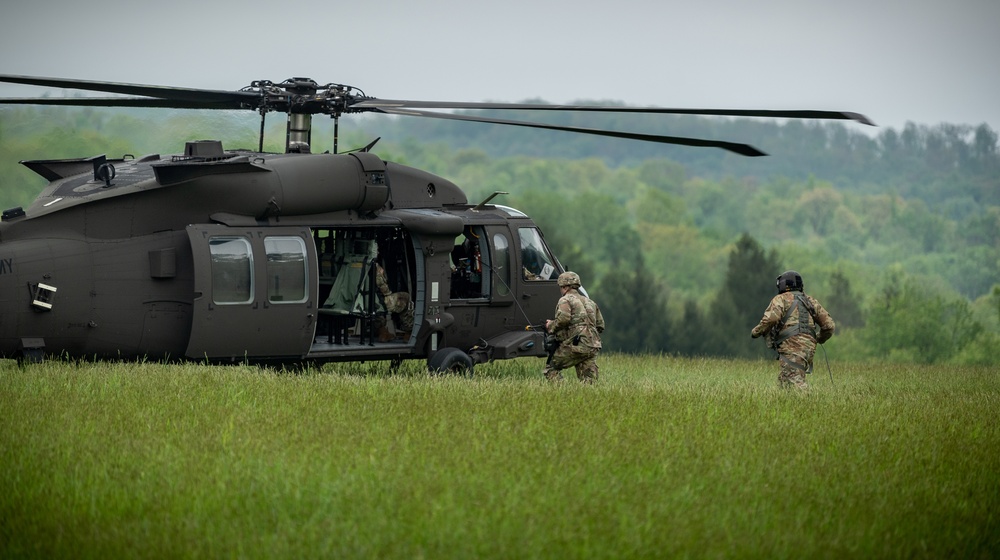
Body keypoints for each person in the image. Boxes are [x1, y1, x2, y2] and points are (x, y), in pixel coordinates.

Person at [751, 270, 836, 390]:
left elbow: (771, 319)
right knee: (785, 382)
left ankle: (809, 405)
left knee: (794, 382)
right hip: (809, 348)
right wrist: (818, 339)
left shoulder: (780, 299)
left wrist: (756, 331)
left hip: (792, 346)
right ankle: (785, 405)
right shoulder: (810, 301)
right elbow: (829, 326)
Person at [543, 271, 604, 383]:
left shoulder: (565, 300)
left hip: (577, 345)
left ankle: (563, 393)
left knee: (551, 368)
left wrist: (550, 325)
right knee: (589, 380)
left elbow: (563, 320)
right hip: (593, 345)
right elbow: (600, 325)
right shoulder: (590, 301)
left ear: (564, 286)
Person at [373, 245, 414, 342]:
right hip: (378, 302)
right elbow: (383, 288)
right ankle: (409, 332)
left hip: (362, 303)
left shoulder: (354, 265)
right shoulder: (374, 266)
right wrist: (388, 292)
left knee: (374, 303)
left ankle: (383, 332)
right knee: (405, 298)